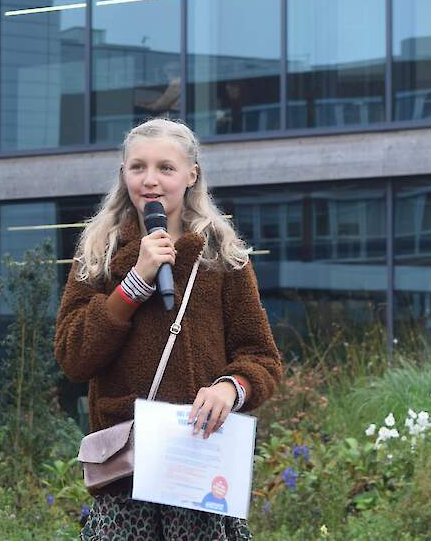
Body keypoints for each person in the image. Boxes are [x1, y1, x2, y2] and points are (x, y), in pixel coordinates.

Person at [55, 117, 282, 540]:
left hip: (200, 470)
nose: (150, 180)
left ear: (191, 175)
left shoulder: (223, 256)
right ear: (123, 173)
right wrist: (135, 281)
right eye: (138, 167)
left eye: (165, 167)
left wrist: (230, 388)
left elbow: (262, 357)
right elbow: (72, 356)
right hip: (127, 477)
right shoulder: (98, 252)